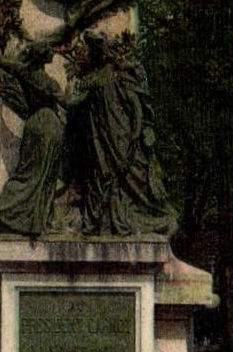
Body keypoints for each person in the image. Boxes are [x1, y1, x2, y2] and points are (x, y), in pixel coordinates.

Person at [65, 32, 177, 237]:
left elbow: (136, 107)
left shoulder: (115, 75)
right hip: (102, 139)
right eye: (93, 47)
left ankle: (149, 217)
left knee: (130, 177)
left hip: (120, 138)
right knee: (104, 177)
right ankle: (102, 221)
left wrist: (137, 132)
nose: (96, 51)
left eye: (98, 46)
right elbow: (75, 103)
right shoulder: (95, 78)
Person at [0, 38, 71, 238]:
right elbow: (67, 102)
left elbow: (0, 60)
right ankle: (4, 214)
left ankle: (27, 219)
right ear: (43, 58)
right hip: (49, 125)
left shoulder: (24, 71)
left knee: (29, 172)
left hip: (34, 124)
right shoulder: (48, 82)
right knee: (42, 175)